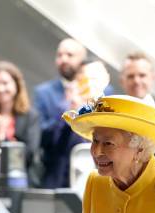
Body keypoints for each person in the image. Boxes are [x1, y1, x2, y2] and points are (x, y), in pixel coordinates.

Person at [34, 39, 113, 188]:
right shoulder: (45, 93)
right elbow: (42, 137)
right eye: (60, 55)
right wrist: (67, 109)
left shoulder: (108, 95)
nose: (64, 59)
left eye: (70, 55)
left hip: (99, 173)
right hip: (58, 175)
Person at [0, 61, 42, 186]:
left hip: (20, 183)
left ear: (16, 85)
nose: (0, 89)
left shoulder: (30, 116)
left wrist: (3, 139)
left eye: (5, 83)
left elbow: (28, 155)